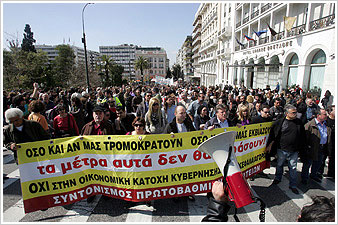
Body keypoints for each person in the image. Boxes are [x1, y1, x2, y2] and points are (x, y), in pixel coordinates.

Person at [266, 104, 306, 194]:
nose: (295, 114)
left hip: (294, 150)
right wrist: (270, 145)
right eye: (293, 113)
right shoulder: (280, 122)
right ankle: (278, 178)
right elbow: (274, 135)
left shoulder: (299, 122)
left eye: (296, 112)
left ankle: (293, 185)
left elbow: (302, 136)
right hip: (282, 149)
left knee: (293, 167)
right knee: (279, 165)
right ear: (287, 113)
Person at [81, 105, 116, 203]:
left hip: (105, 156)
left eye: (100, 114)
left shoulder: (108, 125)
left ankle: (106, 192)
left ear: (103, 115)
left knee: (105, 175)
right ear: (92, 115)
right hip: (91, 157)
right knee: (92, 176)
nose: (98, 116)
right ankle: (92, 193)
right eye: (96, 114)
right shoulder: (87, 127)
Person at [163, 105, 196, 201]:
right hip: (175, 156)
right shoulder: (170, 126)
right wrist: (169, 138)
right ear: (175, 114)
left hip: (187, 155)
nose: (183, 115)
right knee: (176, 176)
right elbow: (163, 141)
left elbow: (195, 135)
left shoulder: (189, 124)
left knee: (188, 175)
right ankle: (176, 194)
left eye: (184, 113)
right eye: (181, 113)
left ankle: (188, 192)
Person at [300, 108, 332, 184]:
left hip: (322, 147)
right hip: (312, 148)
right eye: (324, 114)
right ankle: (304, 178)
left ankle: (313, 175)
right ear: (318, 115)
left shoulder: (326, 124)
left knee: (318, 162)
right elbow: (304, 138)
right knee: (308, 163)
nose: (326, 116)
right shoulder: (310, 125)